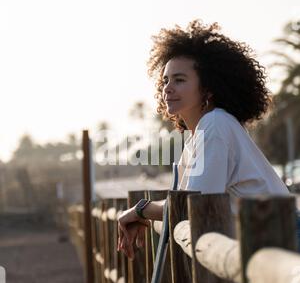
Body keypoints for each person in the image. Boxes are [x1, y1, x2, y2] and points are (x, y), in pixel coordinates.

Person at [117, 19, 291, 260]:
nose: (167, 88)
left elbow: (195, 205)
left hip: (284, 245)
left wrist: (140, 210)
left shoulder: (216, 125)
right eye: (165, 80)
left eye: (179, 80)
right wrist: (142, 211)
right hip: (267, 242)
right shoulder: (199, 132)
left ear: (208, 89)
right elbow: (185, 201)